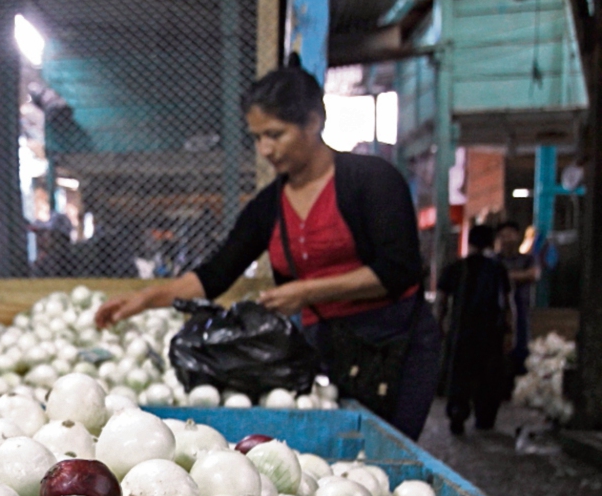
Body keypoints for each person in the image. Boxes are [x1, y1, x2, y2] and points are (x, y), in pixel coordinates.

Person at [96, 64, 442, 440]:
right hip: (329, 351)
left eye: (275, 134)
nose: (265, 149)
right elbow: (214, 275)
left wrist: (307, 292)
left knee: (389, 447)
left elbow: (399, 269)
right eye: (257, 137)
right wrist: (145, 300)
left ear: (314, 121)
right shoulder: (268, 207)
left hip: (396, 345)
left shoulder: (372, 181)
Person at [436, 224, 514, 434]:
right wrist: (509, 331)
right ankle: (484, 418)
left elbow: (441, 301)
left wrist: (439, 326)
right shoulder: (497, 269)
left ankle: (457, 414)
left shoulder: (455, 268)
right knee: (488, 378)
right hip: (490, 333)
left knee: (459, 376)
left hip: (461, 331)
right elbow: (506, 303)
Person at [495, 221, 539, 376]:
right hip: (497, 311)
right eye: (503, 236)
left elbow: (533, 274)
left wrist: (506, 277)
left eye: (510, 234)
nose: (507, 239)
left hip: (522, 309)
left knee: (522, 345)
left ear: (517, 236)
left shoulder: (527, 259)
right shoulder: (494, 260)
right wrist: (518, 277)